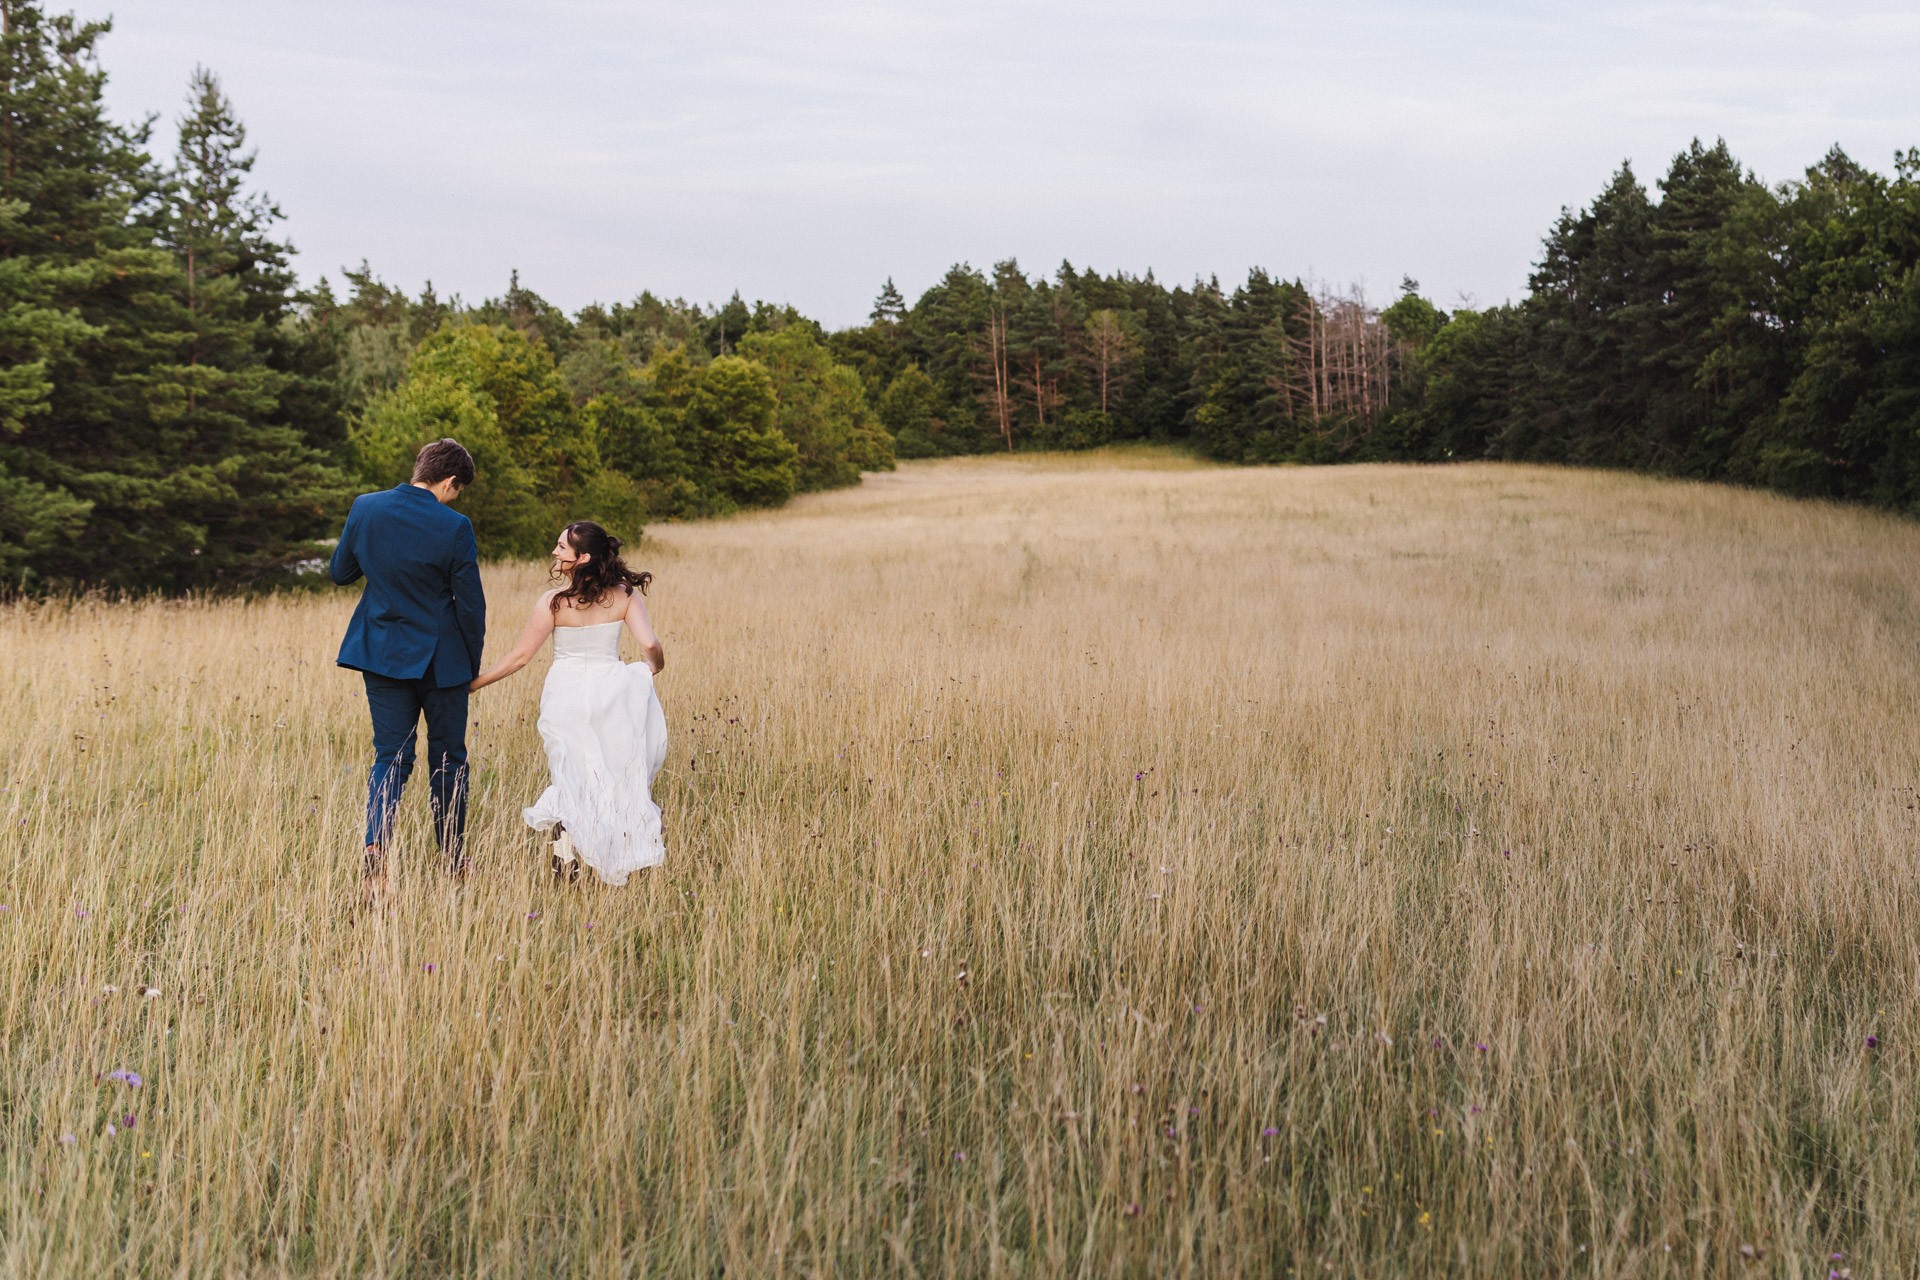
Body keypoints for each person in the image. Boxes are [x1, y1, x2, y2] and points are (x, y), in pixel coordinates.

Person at [328, 438, 486, 904]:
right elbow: (471, 607)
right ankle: (453, 859)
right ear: (450, 481)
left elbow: (340, 572)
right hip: (442, 661)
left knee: (390, 757)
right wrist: (469, 666)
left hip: (380, 653)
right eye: (458, 489)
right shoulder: (455, 526)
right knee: (448, 760)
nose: (456, 498)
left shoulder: (365, 507)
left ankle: (376, 843)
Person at [469, 521, 668, 885]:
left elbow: (520, 657)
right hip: (611, 692)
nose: (555, 552)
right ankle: (616, 845)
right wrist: (650, 670)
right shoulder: (625, 595)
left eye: (562, 547)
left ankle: (567, 854)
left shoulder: (554, 602)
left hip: (566, 696)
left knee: (571, 774)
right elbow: (650, 646)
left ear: (583, 557)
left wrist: (474, 685)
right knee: (609, 773)